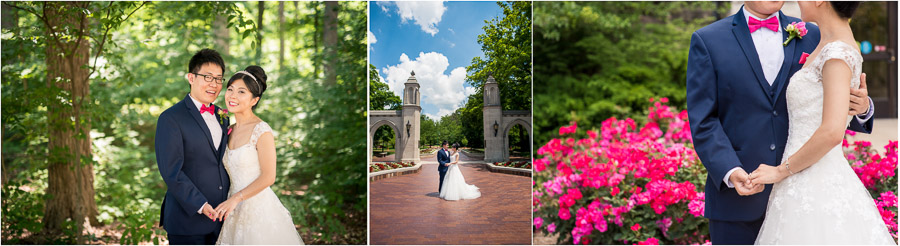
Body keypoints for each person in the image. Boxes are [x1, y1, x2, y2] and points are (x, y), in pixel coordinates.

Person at [686, 1, 876, 244]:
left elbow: (833, 107)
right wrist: (730, 170)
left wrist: (863, 108)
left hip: (807, 196)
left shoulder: (817, 34)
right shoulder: (708, 40)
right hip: (738, 200)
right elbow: (704, 121)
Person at [748, 2, 894, 244]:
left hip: (813, 180)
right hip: (800, 176)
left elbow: (832, 132)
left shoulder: (837, 53)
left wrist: (780, 171)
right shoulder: (823, 42)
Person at [213, 66, 304, 244]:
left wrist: (236, 199)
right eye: (230, 89)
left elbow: (269, 177)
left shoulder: (262, 131)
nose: (232, 96)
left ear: (254, 100)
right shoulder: (228, 129)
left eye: (241, 92)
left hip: (257, 208)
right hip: (232, 209)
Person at [156, 49, 231, 245]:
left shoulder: (223, 116)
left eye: (218, 79)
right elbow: (171, 171)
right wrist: (201, 204)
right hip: (187, 219)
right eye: (207, 77)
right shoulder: (170, 118)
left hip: (223, 219)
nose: (214, 84)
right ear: (191, 77)